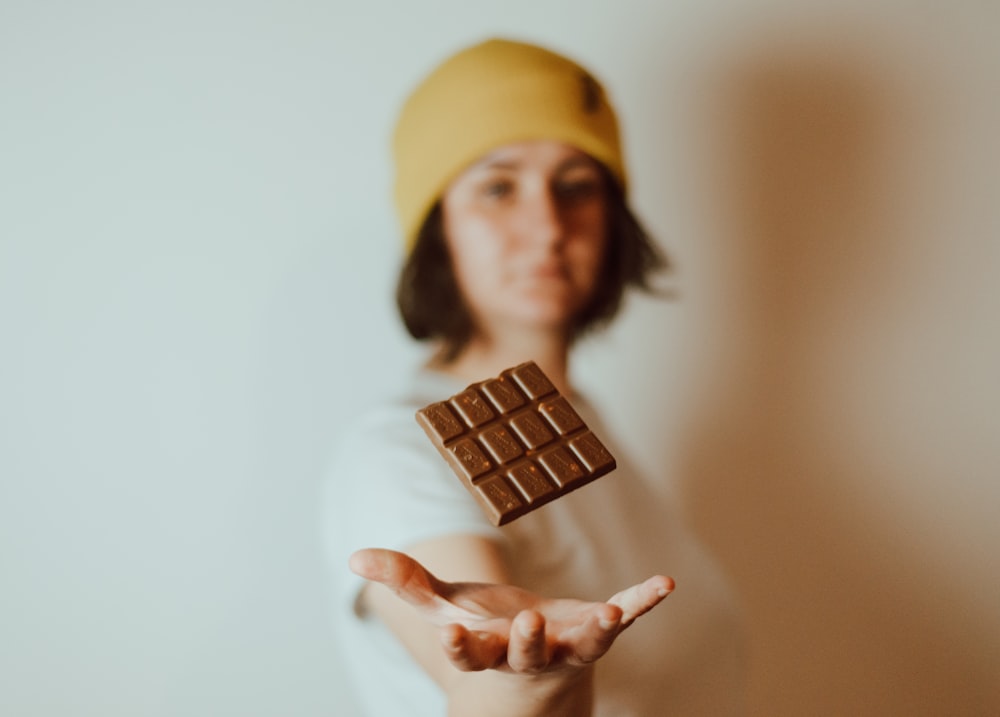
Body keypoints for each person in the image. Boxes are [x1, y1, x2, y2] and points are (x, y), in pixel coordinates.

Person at [323, 37, 746, 716]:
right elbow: (475, 673)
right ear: (439, 230)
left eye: (576, 186)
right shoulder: (399, 453)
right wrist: (529, 678)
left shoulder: (581, 423)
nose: (547, 225)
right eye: (497, 187)